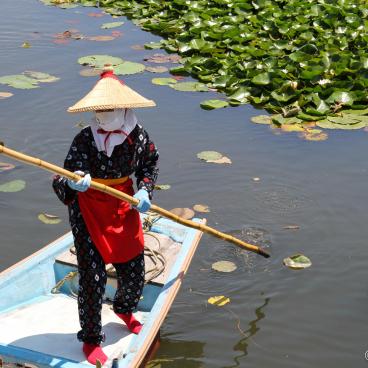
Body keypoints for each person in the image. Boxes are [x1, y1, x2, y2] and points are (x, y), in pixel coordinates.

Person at [52, 65, 159, 365]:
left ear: (124, 107)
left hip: (123, 205)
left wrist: (146, 190)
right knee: (92, 277)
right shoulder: (85, 139)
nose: (104, 114)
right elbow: (60, 178)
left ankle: (125, 308)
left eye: (110, 108)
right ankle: (90, 339)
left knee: (134, 268)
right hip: (88, 209)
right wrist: (73, 181)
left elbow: (150, 163)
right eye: (100, 109)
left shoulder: (138, 137)